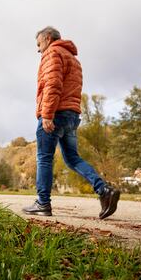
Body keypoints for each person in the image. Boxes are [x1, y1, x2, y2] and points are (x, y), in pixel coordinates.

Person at [22, 26, 120, 219]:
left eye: (39, 44)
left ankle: (42, 203)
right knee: (73, 159)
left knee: (44, 158)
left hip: (55, 113)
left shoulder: (52, 53)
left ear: (48, 38)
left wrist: (47, 114)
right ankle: (104, 190)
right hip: (71, 115)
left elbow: (53, 84)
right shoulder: (74, 59)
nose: (38, 49)